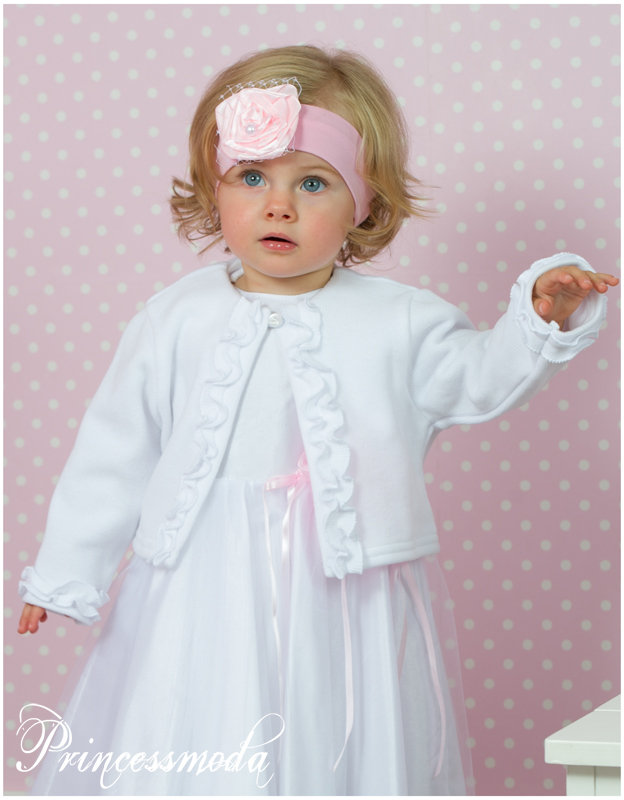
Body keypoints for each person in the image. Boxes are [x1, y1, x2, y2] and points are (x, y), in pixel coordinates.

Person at [17, 45, 617, 796]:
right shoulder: (173, 319)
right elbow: (115, 453)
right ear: (214, 186)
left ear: (363, 202)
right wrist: (67, 573)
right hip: (201, 583)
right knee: (194, 726)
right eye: (252, 178)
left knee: (332, 738)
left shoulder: (400, 320)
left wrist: (537, 317)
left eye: (312, 182)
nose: (279, 206)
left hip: (346, 589)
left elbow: (479, 379)